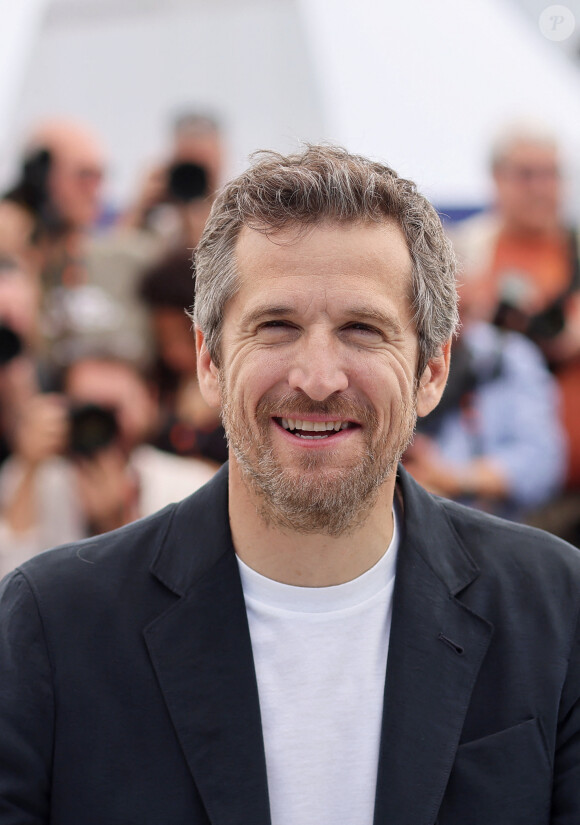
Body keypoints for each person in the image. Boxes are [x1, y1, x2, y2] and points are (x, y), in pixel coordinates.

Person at [1, 145, 579, 825]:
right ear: (209, 360)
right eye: (276, 326)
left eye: (363, 330)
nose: (317, 376)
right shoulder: (54, 623)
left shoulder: (554, 608)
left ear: (432, 369)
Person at [452, 122, 580, 526]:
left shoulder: (573, 250)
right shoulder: (463, 255)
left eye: (552, 174)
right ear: (497, 178)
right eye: (526, 174)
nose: (541, 187)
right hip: (500, 485)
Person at [0, 352, 216, 576]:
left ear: (149, 402)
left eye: (113, 410)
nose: (101, 425)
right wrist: (28, 467)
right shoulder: (36, 475)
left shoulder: (191, 484)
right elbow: (10, 579)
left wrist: (114, 524)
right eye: (89, 409)